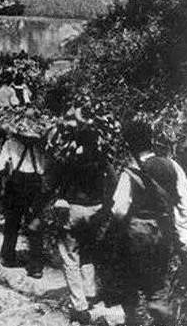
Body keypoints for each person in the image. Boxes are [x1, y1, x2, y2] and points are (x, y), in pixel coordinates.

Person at [111, 120, 187, 326]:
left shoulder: (130, 172)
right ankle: (162, 315)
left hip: (136, 234)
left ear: (129, 144)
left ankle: (134, 319)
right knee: (158, 283)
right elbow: (185, 202)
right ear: (151, 140)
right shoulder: (172, 166)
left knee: (130, 282)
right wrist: (186, 236)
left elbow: (119, 210)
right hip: (165, 233)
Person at [49, 114, 118, 323]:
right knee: (88, 252)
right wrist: (105, 207)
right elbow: (114, 184)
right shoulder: (103, 161)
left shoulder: (72, 160)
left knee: (70, 256)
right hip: (95, 210)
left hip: (75, 209)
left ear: (78, 141)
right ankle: (90, 293)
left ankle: (79, 306)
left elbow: (57, 182)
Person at [0, 114, 48, 278]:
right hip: (34, 186)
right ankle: (36, 266)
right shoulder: (39, 146)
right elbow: (42, 169)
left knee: (12, 222)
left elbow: (0, 165)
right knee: (34, 225)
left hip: (15, 185)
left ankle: (8, 257)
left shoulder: (10, 143)